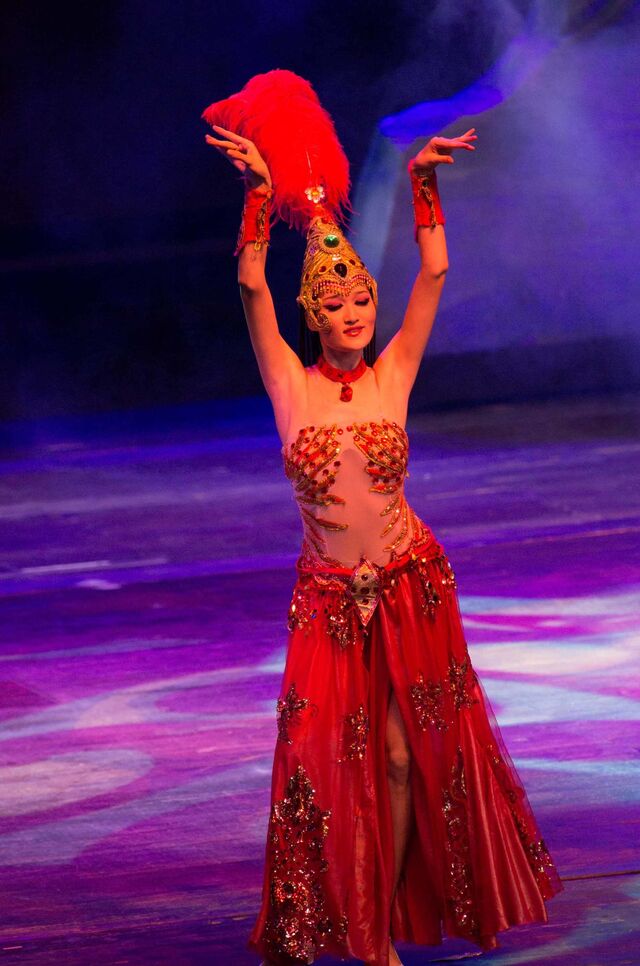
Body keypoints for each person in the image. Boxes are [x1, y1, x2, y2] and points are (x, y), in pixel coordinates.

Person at [203, 71, 561, 966]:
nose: (355, 313)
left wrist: (422, 182)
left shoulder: (394, 372)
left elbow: (434, 271)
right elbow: (249, 288)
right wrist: (258, 199)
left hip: (410, 584)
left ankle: (381, 937)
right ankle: (348, 918)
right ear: (312, 314)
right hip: (329, 601)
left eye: (362, 298)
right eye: (336, 304)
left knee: (404, 761)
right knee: (323, 769)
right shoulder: (289, 385)